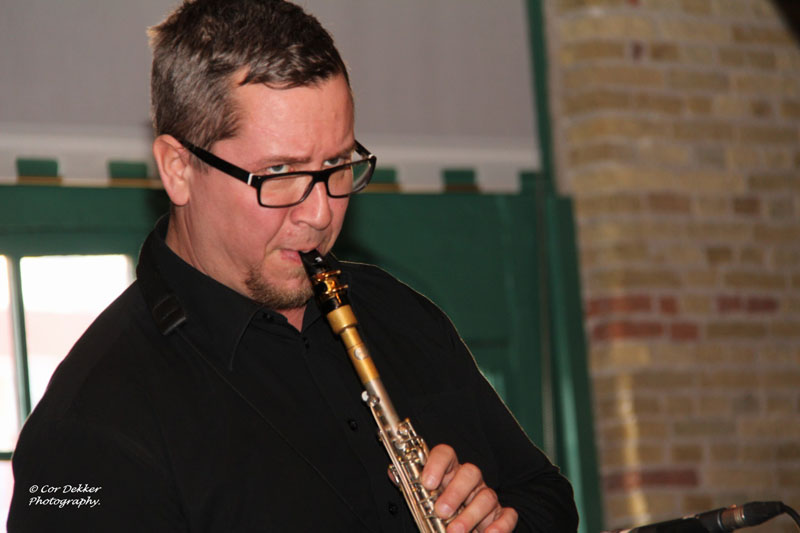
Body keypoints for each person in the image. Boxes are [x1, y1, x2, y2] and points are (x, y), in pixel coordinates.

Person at [7, 0, 579, 531]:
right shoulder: (85, 426)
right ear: (178, 168)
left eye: (338, 164)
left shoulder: (399, 313)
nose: (321, 212)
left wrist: (498, 520)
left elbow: (547, 495)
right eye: (280, 174)